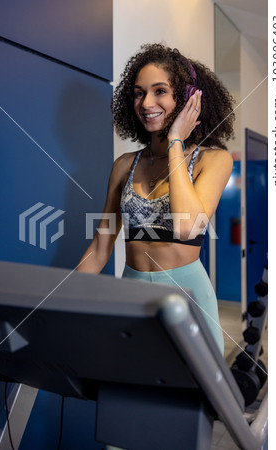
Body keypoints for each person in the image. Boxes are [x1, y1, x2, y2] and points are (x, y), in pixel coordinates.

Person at [76, 43, 235, 354]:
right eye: (139, 93)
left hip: (187, 298)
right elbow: (100, 246)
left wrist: (176, 140)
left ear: (189, 98)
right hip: (131, 295)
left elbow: (188, 227)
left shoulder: (213, 161)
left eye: (159, 91)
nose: (146, 102)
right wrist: (59, 300)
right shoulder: (124, 165)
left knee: (189, 398)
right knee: (128, 395)